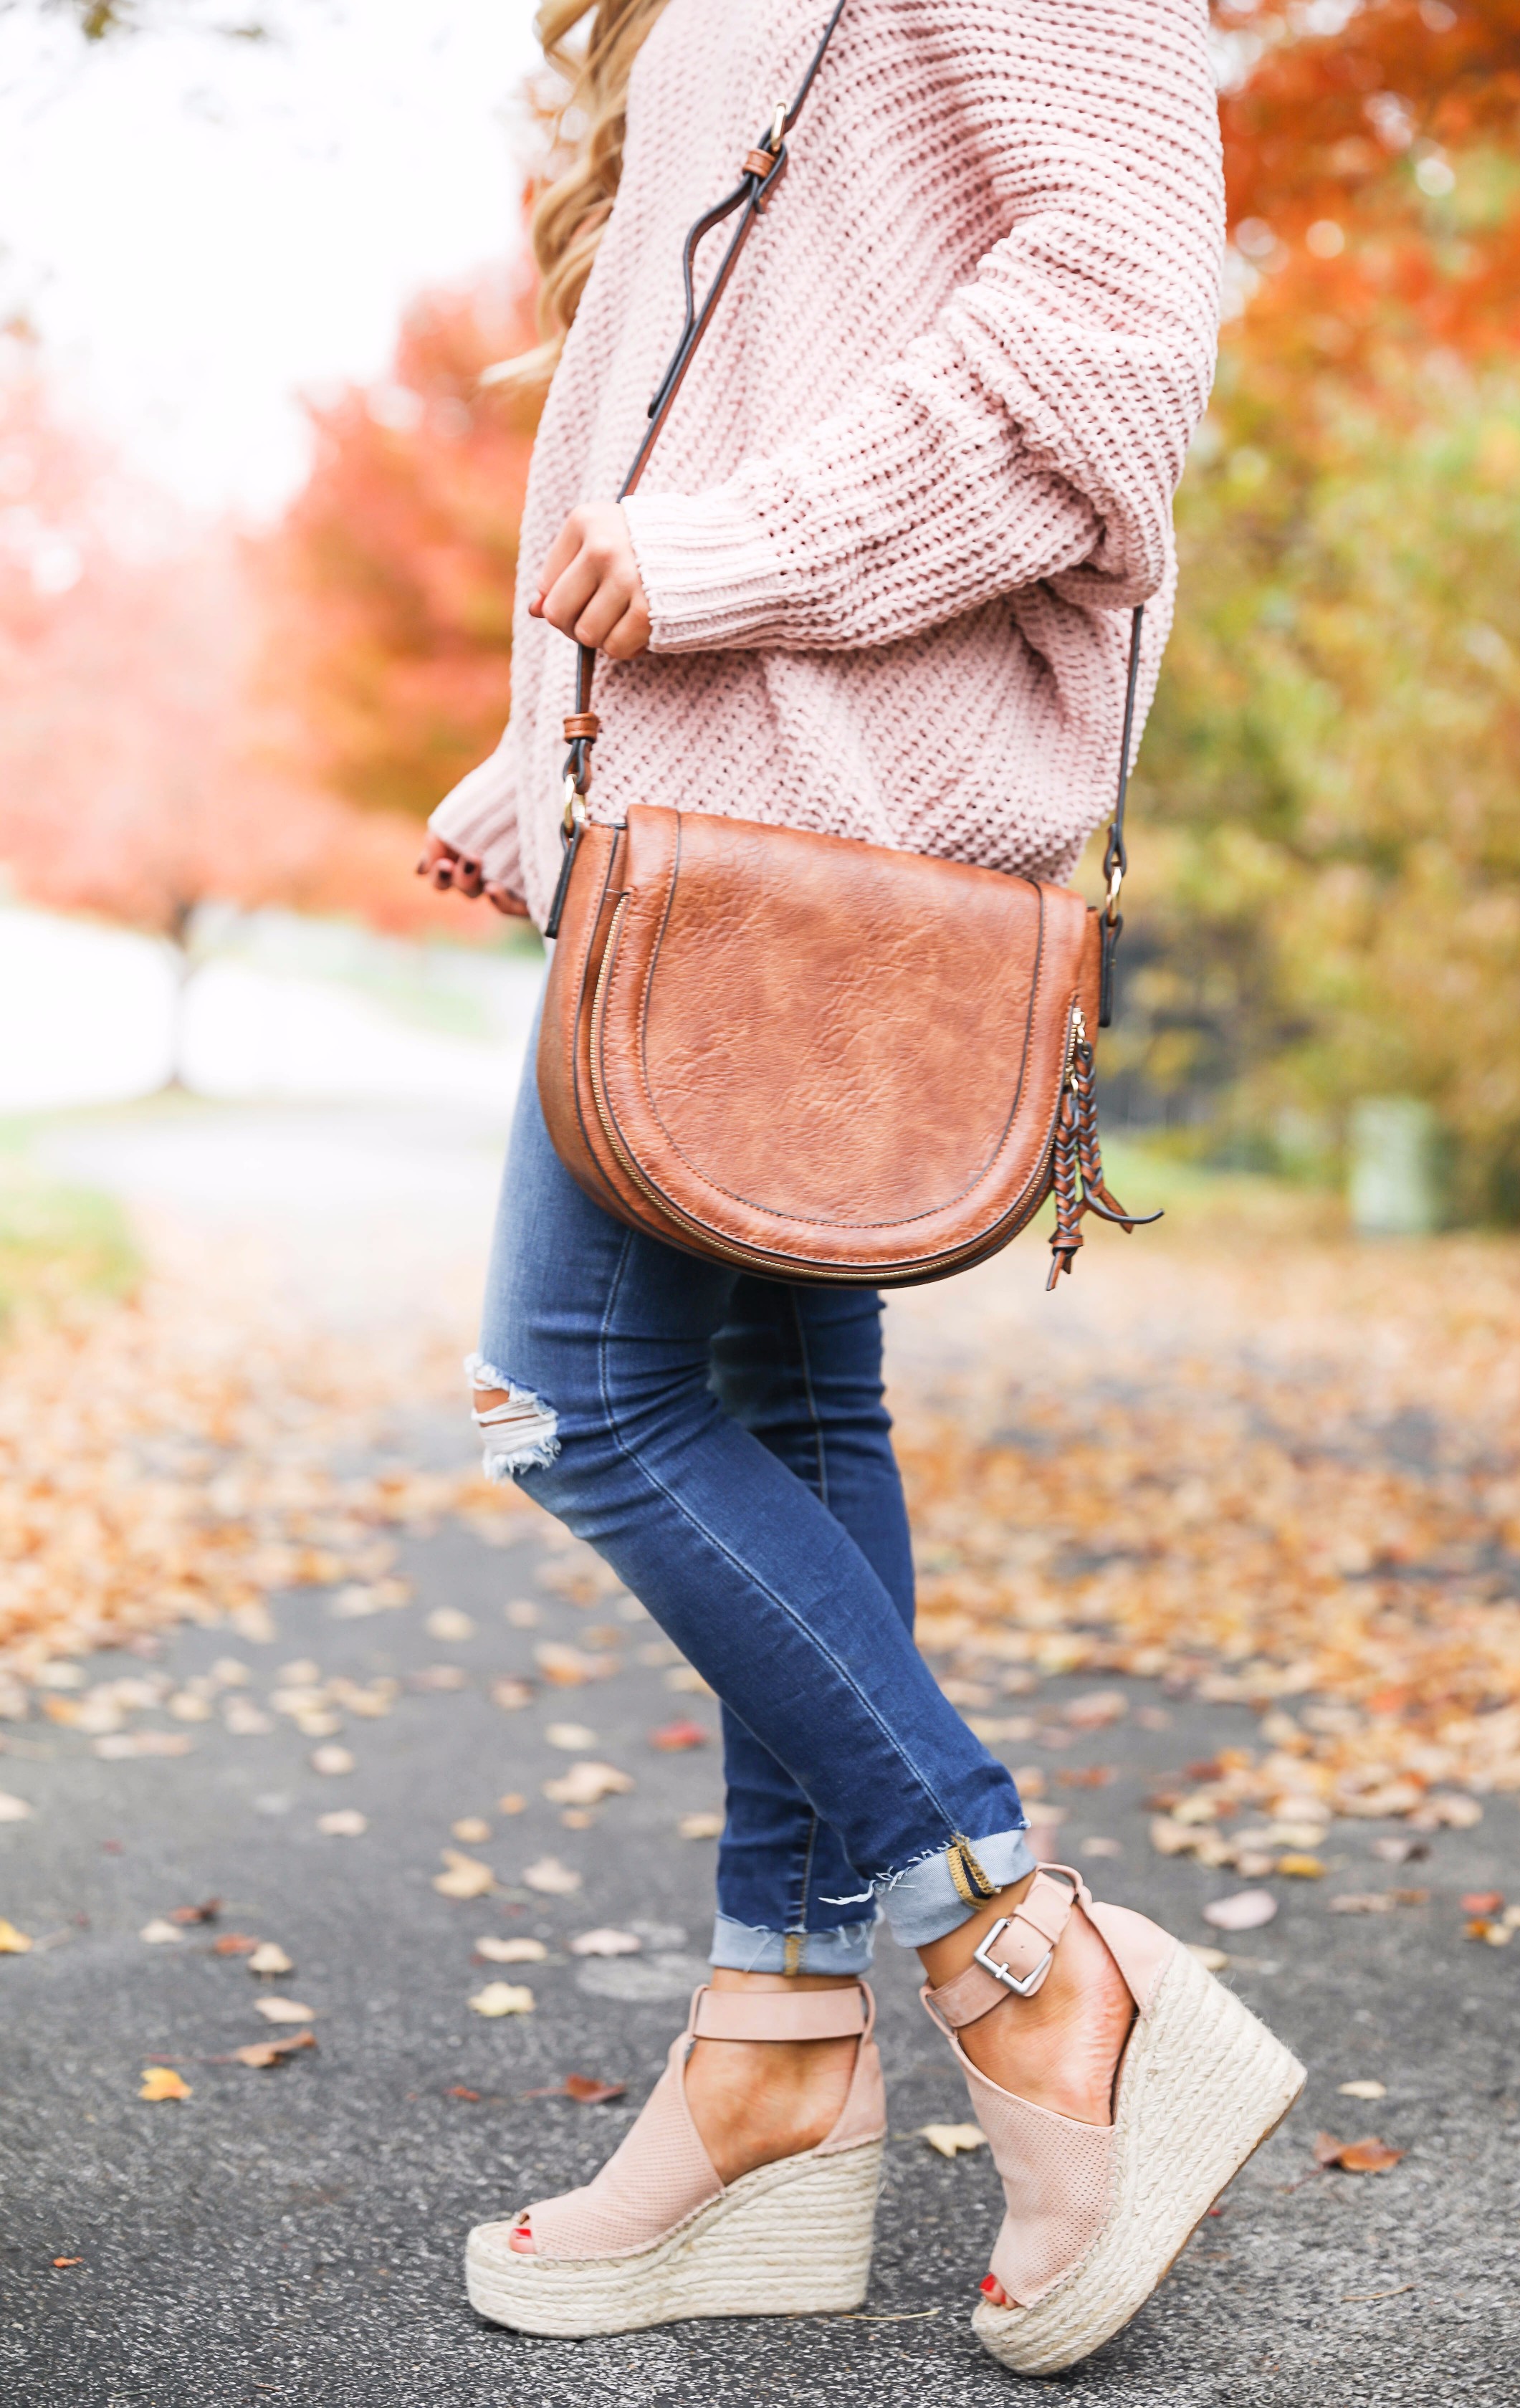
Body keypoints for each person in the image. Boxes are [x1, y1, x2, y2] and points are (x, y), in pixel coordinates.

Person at [419, 0, 1303, 2372]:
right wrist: (546, 765)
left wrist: (727, 566)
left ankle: (1032, 1961)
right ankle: (778, 2070)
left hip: (817, 820)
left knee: (573, 1393)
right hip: (730, 797)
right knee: (793, 1420)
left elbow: (1115, 343)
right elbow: (744, 378)